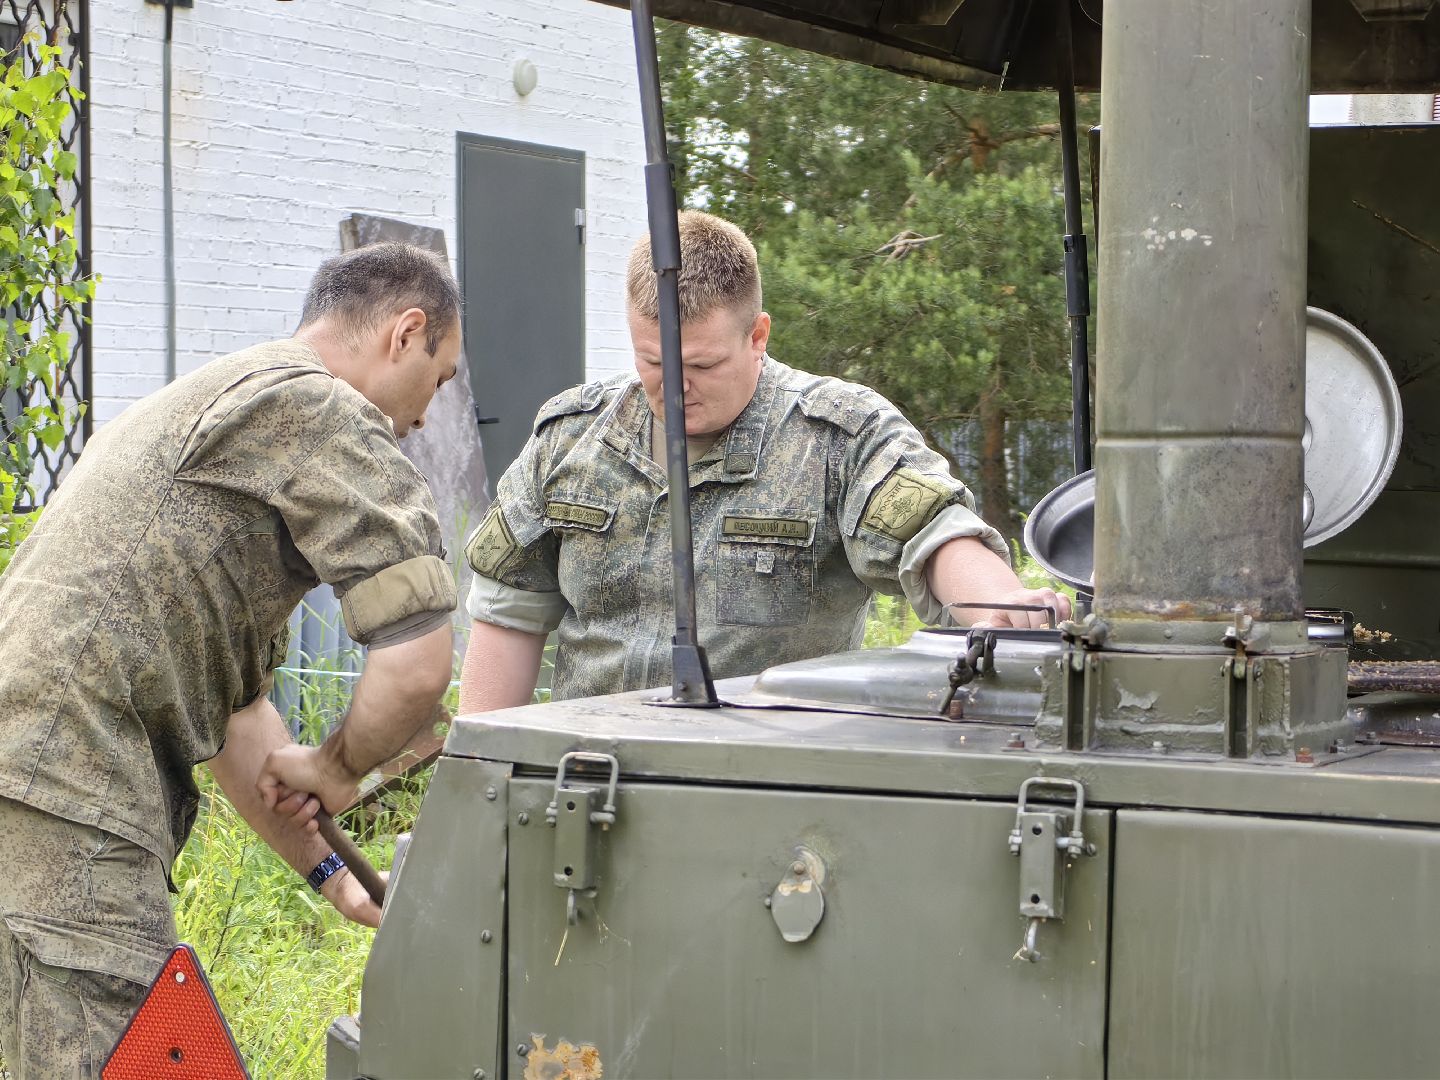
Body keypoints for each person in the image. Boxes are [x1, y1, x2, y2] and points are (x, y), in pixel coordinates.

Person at [0, 242, 462, 1077]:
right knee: (138, 1058)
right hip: (60, 786)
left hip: (30, 782)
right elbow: (420, 659)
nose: (428, 415)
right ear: (407, 332)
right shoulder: (316, 408)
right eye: (442, 377)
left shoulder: (230, 399)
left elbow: (241, 723)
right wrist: (338, 762)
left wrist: (334, 876)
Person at [459, 210, 1068, 710]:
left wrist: (1001, 610)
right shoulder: (571, 440)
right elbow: (508, 616)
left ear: (758, 337)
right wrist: (479, 778)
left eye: (701, 366)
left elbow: (936, 536)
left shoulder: (837, 436)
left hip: (763, 798)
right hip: (586, 791)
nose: (674, 388)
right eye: (652, 363)